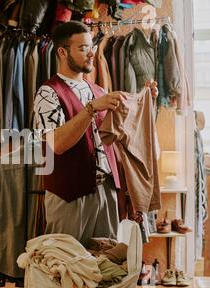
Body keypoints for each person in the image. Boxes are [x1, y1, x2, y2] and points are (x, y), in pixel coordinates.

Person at [33, 21, 158, 246]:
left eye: (91, 46)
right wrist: (91, 109)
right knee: (67, 265)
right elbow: (56, 144)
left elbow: (123, 137)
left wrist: (146, 100)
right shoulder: (47, 93)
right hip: (69, 195)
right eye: (83, 48)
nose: (92, 53)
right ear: (62, 52)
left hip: (107, 193)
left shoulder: (99, 91)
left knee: (106, 266)